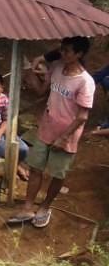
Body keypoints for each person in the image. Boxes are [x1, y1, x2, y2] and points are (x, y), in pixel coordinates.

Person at [8, 37, 94, 228]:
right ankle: (28, 207)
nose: (62, 54)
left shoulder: (85, 82)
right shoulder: (56, 68)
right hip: (46, 128)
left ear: (79, 55)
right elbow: (41, 91)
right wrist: (30, 73)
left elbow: (82, 117)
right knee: (36, 168)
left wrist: (64, 137)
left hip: (66, 136)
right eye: (61, 50)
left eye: (67, 51)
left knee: (57, 174)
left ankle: (45, 207)